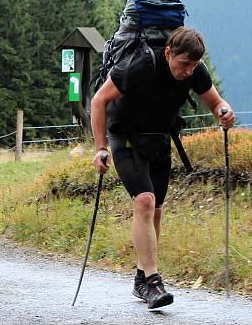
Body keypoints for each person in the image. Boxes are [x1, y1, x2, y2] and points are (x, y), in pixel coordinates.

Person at [91, 26, 235, 309]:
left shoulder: (195, 69)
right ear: (168, 52)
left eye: (194, 65)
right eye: (184, 64)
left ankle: (141, 279)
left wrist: (223, 112)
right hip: (126, 138)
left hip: (158, 139)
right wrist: (100, 148)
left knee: (156, 210)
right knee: (144, 201)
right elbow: (99, 100)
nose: (189, 71)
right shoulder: (139, 65)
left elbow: (216, 101)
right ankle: (154, 282)